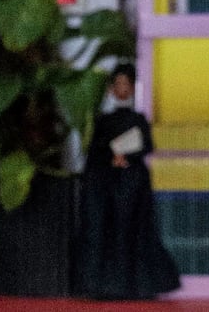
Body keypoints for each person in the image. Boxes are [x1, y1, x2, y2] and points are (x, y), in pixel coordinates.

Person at [73, 63, 182, 300]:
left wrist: (128, 156)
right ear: (112, 89)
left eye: (127, 84)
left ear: (133, 88)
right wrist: (111, 158)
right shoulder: (103, 121)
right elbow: (95, 152)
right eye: (118, 84)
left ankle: (137, 285)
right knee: (108, 233)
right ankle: (105, 286)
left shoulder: (138, 119)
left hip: (133, 186)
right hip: (107, 187)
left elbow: (147, 145)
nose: (122, 89)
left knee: (133, 232)